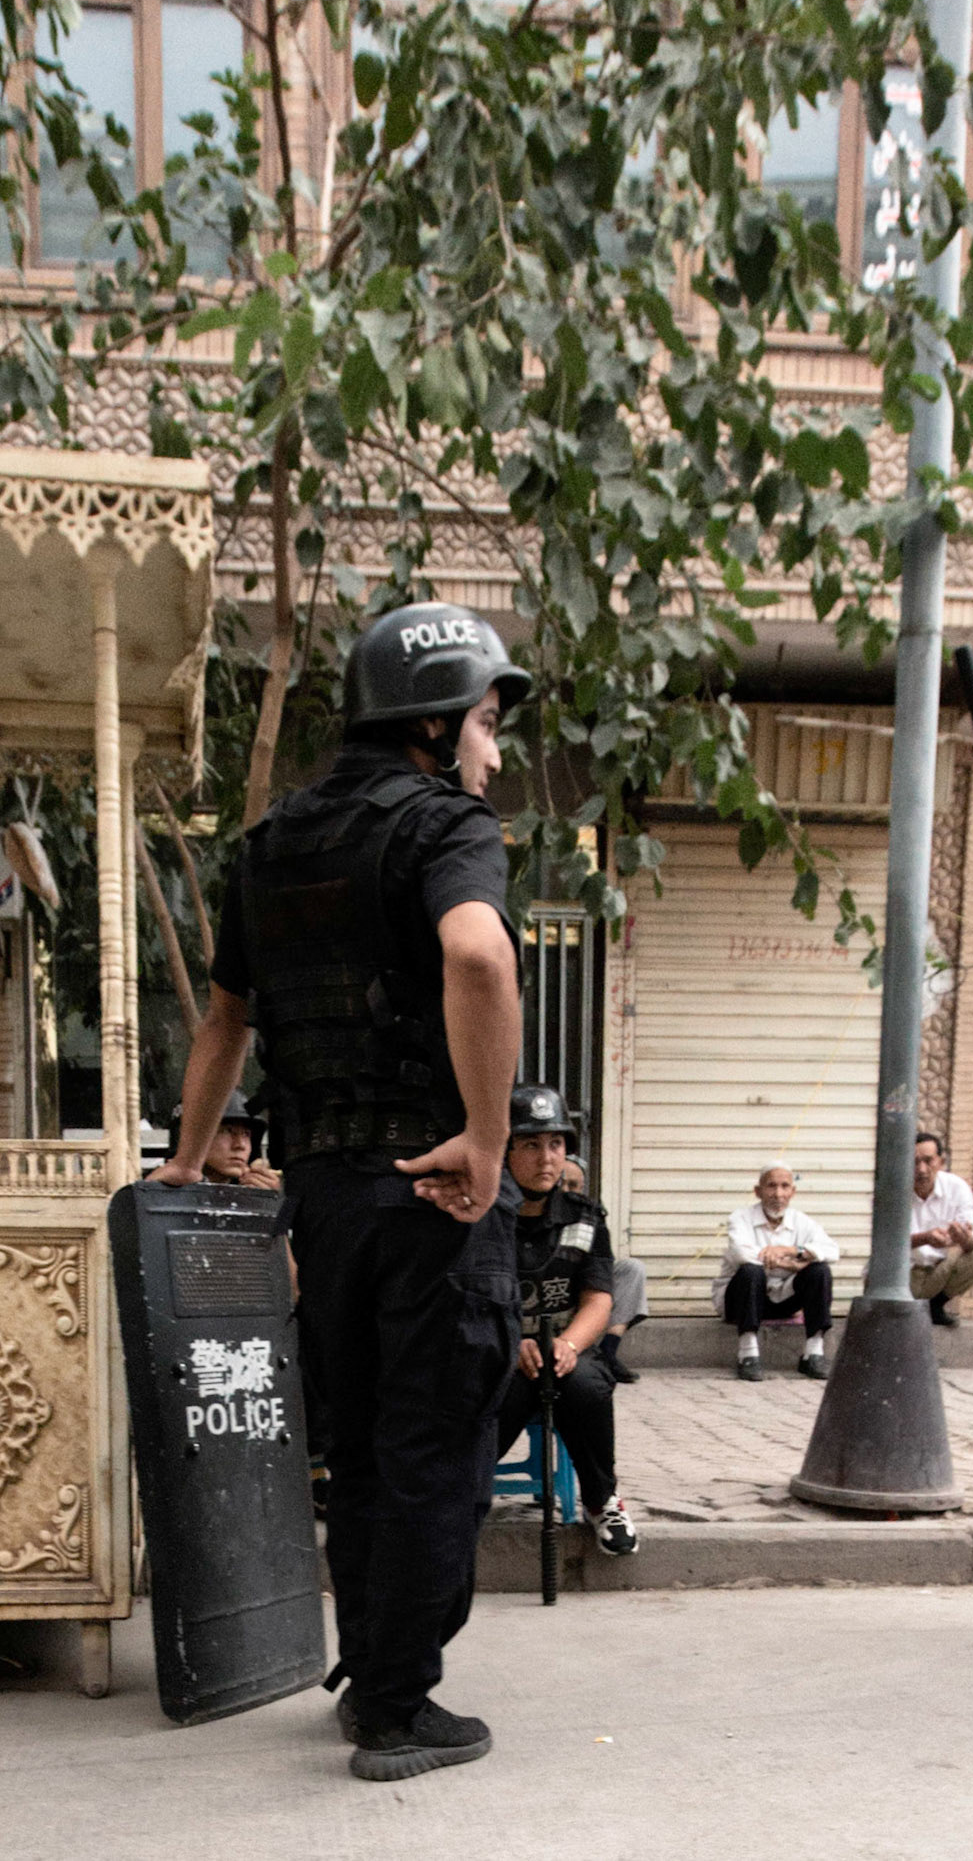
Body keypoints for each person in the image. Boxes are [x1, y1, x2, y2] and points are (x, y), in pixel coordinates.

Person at [151, 600, 529, 1782]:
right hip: (432, 1198)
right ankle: (400, 1709)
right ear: (437, 722)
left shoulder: (268, 846)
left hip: (320, 1199)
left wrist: (181, 1161)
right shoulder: (444, 826)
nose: (496, 750)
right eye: (488, 721)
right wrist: (484, 1132)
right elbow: (478, 954)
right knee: (434, 1447)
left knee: (361, 1448)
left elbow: (224, 1021)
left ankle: (371, 1673)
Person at [496, 1086, 639, 1555]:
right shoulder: (482, 1214)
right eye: (531, 1144)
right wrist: (512, 1341)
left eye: (555, 1144)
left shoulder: (585, 1217)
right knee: (502, 1392)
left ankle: (602, 1502)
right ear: (505, 1150)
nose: (546, 1158)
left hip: (565, 1348)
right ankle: (464, 1496)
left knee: (585, 1387)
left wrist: (571, 1345)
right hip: (500, 1352)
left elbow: (598, 1298)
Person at [713, 1165, 839, 1382]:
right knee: (751, 1271)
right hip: (740, 1303)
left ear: (793, 1192)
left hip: (781, 1300)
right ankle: (748, 1354)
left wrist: (791, 1251)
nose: (778, 1194)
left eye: (784, 1186)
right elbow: (742, 1253)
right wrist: (792, 1265)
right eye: (771, 1186)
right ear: (758, 1191)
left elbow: (832, 1251)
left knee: (819, 1270)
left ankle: (813, 1352)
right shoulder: (740, 1218)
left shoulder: (801, 1221)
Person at [562, 1153, 647, 1384]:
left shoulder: (590, 1216)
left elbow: (601, 1267)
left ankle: (609, 1350)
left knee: (632, 1268)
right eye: (562, 1183)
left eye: (573, 1185)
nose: (567, 1190)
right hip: (554, 1297)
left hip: (588, 1294)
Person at [908, 1131, 973, 1327]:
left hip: (937, 1272)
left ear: (941, 1161)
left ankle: (936, 1305)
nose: (921, 1169)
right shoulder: (894, 1189)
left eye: (928, 1161)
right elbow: (887, 1242)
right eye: (914, 1162)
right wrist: (925, 1238)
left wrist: (964, 1239)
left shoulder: (957, 1187)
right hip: (904, 1276)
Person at [168, 1088, 281, 1190]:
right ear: (190, 1138)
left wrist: (269, 1204)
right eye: (227, 1131)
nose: (240, 1145)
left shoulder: (258, 1191)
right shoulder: (157, 1191)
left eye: (246, 1134)